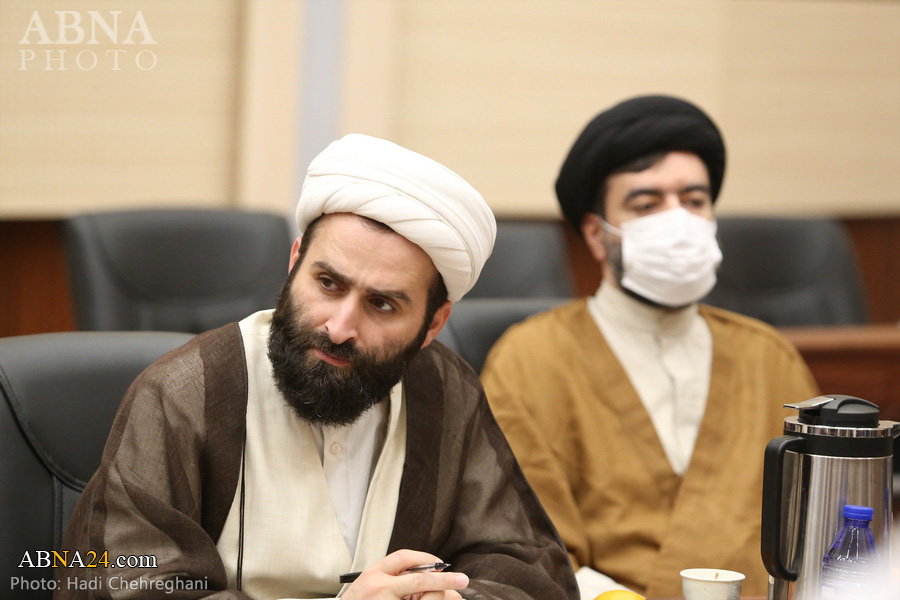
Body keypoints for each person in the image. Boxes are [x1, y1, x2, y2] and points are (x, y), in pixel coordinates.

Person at [56, 134, 578, 600]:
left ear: (433, 324)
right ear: (294, 263)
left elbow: (529, 566)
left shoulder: (444, 388)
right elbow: (123, 586)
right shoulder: (183, 393)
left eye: (382, 305)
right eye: (328, 284)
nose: (340, 326)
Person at [480, 96, 820, 599]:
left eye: (694, 201)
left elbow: (821, 523)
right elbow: (525, 542)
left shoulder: (768, 356)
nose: (678, 221)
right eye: (646, 205)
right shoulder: (531, 359)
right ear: (597, 235)